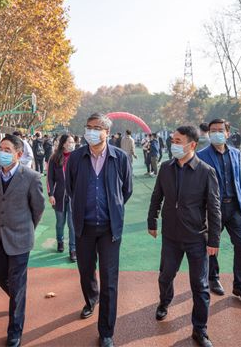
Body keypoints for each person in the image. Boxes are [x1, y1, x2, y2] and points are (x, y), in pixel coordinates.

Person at [148, 126, 221, 347]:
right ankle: (164, 302)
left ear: (192, 145)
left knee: (200, 285)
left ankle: (200, 330)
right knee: (165, 276)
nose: (174, 144)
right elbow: (157, 197)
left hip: (197, 238)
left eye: (178, 141)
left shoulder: (206, 171)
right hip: (170, 236)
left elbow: (214, 208)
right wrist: (152, 221)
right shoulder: (165, 168)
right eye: (173, 140)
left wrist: (214, 240)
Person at [65, 113, 133, 347]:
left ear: (107, 133)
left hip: (109, 229)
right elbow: (71, 188)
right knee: (86, 272)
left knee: (109, 279)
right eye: (88, 127)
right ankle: (91, 299)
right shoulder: (76, 157)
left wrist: (112, 207)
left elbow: (126, 190)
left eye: (96, 128)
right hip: (83, 227)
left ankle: (106, 331)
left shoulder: (120, 157)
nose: (90, 132)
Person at [0, 135, 45, 347]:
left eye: (7, 150)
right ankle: (16, 300)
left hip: (20, 237)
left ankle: (14, 331)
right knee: (0, 275)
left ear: (19, 154)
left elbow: (38, 208)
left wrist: (28, 228)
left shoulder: (31, 177)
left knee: (18, 285)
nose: (1, 153)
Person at [197, 119, 241, 307]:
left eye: (220, 130)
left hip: (234, 207)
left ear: (227, 134)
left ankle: (240, 285)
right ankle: (213, 277)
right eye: (213, 130)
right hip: (213, 208)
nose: (217, 133)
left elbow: (238, 180)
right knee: (211, 245)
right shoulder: (201, 155)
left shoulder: (236, 154)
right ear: (209, 134)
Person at [47, 134, 76, 262]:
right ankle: (60, 241)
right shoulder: (54, 158)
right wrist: (51, 194)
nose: (72, 144)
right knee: (60, 222)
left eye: (73, 142)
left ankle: (73, 249)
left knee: (72, 224)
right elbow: (49, 178)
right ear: (63, 144)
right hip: (59, 196)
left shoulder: (77, 157)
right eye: (70, 142)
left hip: (74, 197)